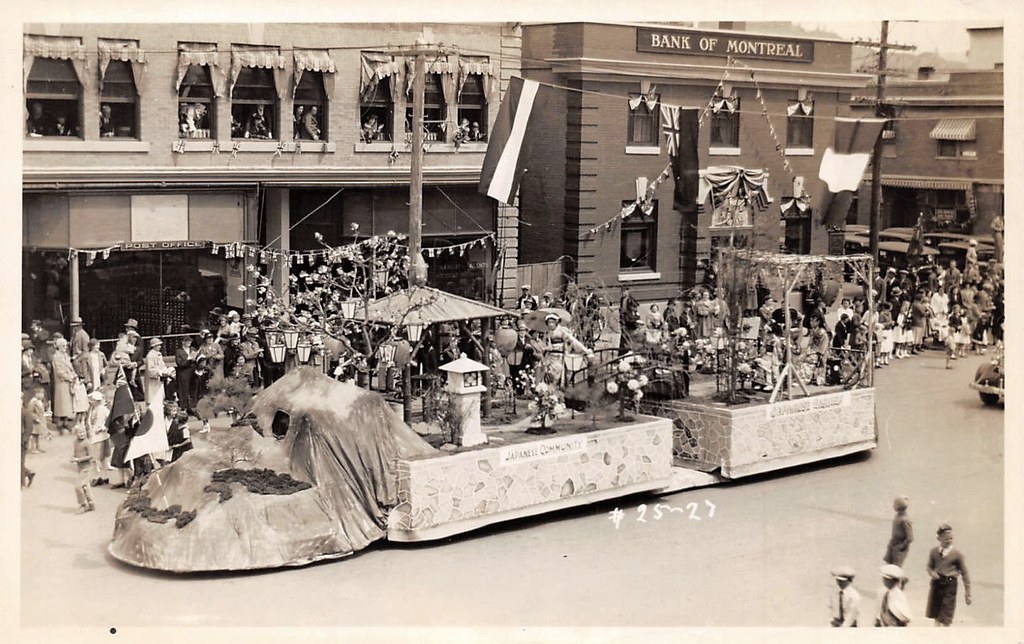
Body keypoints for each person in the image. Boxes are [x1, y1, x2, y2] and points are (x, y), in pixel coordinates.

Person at [926, 524, 971, 627]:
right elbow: (929, 567)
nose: (949, 541)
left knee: (946, 614)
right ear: (939, 538)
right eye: (946, 539)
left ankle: (946, 635)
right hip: (936, 585)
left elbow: (965, 574)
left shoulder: (957, 554)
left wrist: (968, 593)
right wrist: (932, 573)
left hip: (950, 586)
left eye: (951, 538)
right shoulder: (933, 552)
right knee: (936, 613)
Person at [532, 312, 593, 388]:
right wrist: (543, 347)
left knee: (558, 375)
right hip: (549, 357)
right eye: (549, 322)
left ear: (556, 322)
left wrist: (584, 350)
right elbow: (544, 344)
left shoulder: (562, 331)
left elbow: (573, 341)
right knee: (547, 373)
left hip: (559, 356)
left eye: (553, 322)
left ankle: (559, 391)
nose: (551, 324)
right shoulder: (546, 333)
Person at [51, 338, 77, 433]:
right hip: (61, 382)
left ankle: (66, 422)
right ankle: (60, 423)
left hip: (68, 382)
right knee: (61, 403)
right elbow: (59, 371)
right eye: (63, 346)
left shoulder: (66, 356)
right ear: (58, 347)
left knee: (67, 403)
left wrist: (74, 375)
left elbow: (70, 367)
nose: (65, 348)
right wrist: (69, 377)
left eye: (66, 346)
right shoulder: (56, 357)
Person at [86, 391, 111, 486]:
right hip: (93, 435)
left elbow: (109, 420)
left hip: (100, 436)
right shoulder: (92, 409)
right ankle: (102, 476)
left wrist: (103, 428)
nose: (91, 401)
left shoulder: (103, 409)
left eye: (93, 400)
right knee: (98, 458)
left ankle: (100, 476)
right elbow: (89, 421)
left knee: (97, 458)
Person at [71, 422, 96, 514]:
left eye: (83, 432)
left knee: (78, 486)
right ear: (75, 434)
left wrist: (79, 459)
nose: (82, 434)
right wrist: (73, 457)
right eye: (79, 433)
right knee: (85, 486)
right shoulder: (75, 442)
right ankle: (91, 503)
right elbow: (75, 452)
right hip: (80, 467)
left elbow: (91, 456)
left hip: (87, 467)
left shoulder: (87, 443)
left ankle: (83, 504)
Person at [884, 495, 913, 567]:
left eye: (895, 505)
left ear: (898, 507)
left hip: (900, 547)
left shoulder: (904, 519)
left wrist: (901, 546)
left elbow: (910, 537)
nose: (893, 506)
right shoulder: (897, 515)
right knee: (888, 565)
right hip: (893, 543)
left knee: (896, 568)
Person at [175, 335, 197, 415]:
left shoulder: (193, 349)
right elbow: (179, 363)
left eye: (189, 341)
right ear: (183, 342)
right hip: (183, 372)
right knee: (184, 390)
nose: (188, 343)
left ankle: (191, 407)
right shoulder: (179, 351)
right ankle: (183, 407)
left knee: (192, 390)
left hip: (192, 371)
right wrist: (188, 360)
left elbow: (197, 358)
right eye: (187, 341)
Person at [21, 393, 36, 488]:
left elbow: (29, 428)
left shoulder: (25, 413)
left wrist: (24, 440)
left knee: (19, 462)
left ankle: (21, 483)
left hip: (22, 441)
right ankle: (28, 474)